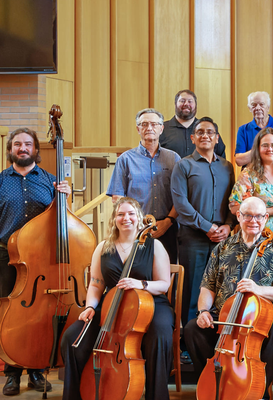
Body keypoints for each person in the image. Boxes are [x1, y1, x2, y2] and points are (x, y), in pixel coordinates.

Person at [60, 197, 174, 400]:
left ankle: (157, 396)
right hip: (111, 304)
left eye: (131, 213)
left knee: (160, 333)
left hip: (151, 303)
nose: (126, 218)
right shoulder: (103, 247)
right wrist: (90, 307)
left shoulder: (154, 246)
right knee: (72, 338)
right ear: (114, 219)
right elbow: (96, 284)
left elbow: (164, 284)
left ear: (138, 218)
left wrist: (140, 284)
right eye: (120, 214)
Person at [183, 197, 273, 400]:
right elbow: (207, 286)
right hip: (225, 313)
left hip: (266, 313)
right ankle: (213, 385)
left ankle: (259, 391)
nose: (254, 220)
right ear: (239, 216)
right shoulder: (222, 248)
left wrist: (258, 290)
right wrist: (203, 311)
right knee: (192, 329)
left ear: (266, 217)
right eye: (248, 215)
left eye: (259, 216)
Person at [0, 128, 71, 395]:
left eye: (27, 144)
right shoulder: (0, 181)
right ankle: (12, 373)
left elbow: (62, 220)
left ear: (36, 150)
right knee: (11, 316)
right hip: (7, 256)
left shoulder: (51, 181)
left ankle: (38, 372)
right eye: (17, 144)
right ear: (10, 150)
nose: (22, 148)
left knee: (40, 312)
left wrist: (65, 198)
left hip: (42, 260)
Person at [170, 116, 235, 360]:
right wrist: (208, 227)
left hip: (223, 239)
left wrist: (228, 226)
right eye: (200, 132)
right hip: (193, 237)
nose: (205, 135)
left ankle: (218, 338)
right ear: (193, 138)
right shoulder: (183, 166)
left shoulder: (227, 167)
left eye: (210, 132)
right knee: (193, 289)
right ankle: (188, 343)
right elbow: (181, 204)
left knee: (221, 289)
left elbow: (233, 200)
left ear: (217, 138)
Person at [229, 127, 273, 318]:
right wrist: (269, 211)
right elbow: (235, 206)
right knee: (262, 283)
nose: (270, 149)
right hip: (260, 238)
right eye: (265, 145)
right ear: (257, 148)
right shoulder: (249, 174)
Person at [107, 108, 180, 264]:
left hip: (167, 228)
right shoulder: (125, 160)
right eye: (144, 124)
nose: (149, 128)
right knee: (136, 275)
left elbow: (181, 196)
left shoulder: (173, 158)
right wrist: (134, 224)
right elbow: (117, 198)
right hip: (134, 229)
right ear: (138, 129)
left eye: (154, 124)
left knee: (167, 277)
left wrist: (167, 222)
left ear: (162, 128)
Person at [159, 89, 226, 158]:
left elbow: (221, 159)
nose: (186, 104)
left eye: (190, 101)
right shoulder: (161, 129)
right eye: (182, 101)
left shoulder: (209, 129)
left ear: (196, 105)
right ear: (175, 104)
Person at [234, 91, 273, 167]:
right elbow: (239, 160)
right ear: (249, 108)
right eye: (254, 105)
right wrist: (261, 149)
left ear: (268, 107)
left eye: (262, 104)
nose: (258, 108)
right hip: (252, 176)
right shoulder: (243, 130)